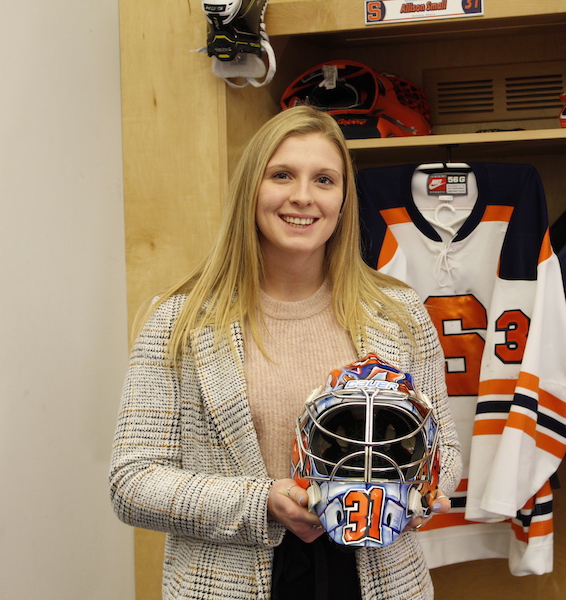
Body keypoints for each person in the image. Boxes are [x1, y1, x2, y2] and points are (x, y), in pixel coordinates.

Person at [109, 105, 462, 600]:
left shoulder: (399, 314)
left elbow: (444, 450)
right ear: (250, 190)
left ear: (343, 199)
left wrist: (414, 494)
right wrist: (263, 502)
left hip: (379, 581)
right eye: (282, 175)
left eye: (324, 179)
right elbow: (131, 483)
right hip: (231, 582)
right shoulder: (178, 322)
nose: (303, 196)